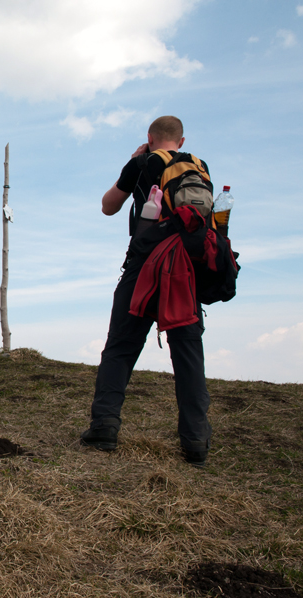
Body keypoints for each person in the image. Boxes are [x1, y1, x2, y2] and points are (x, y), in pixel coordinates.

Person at [80, 115, 212, 468]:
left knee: (121, 348)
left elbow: (109, 206)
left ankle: (105, 428)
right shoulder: (199, 167)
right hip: (184, 270)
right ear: (180, 142)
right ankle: (195, 442)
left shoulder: (141, 162)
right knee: (188, 354)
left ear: (150, 137)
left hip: (145, 268)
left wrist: (136, 162)